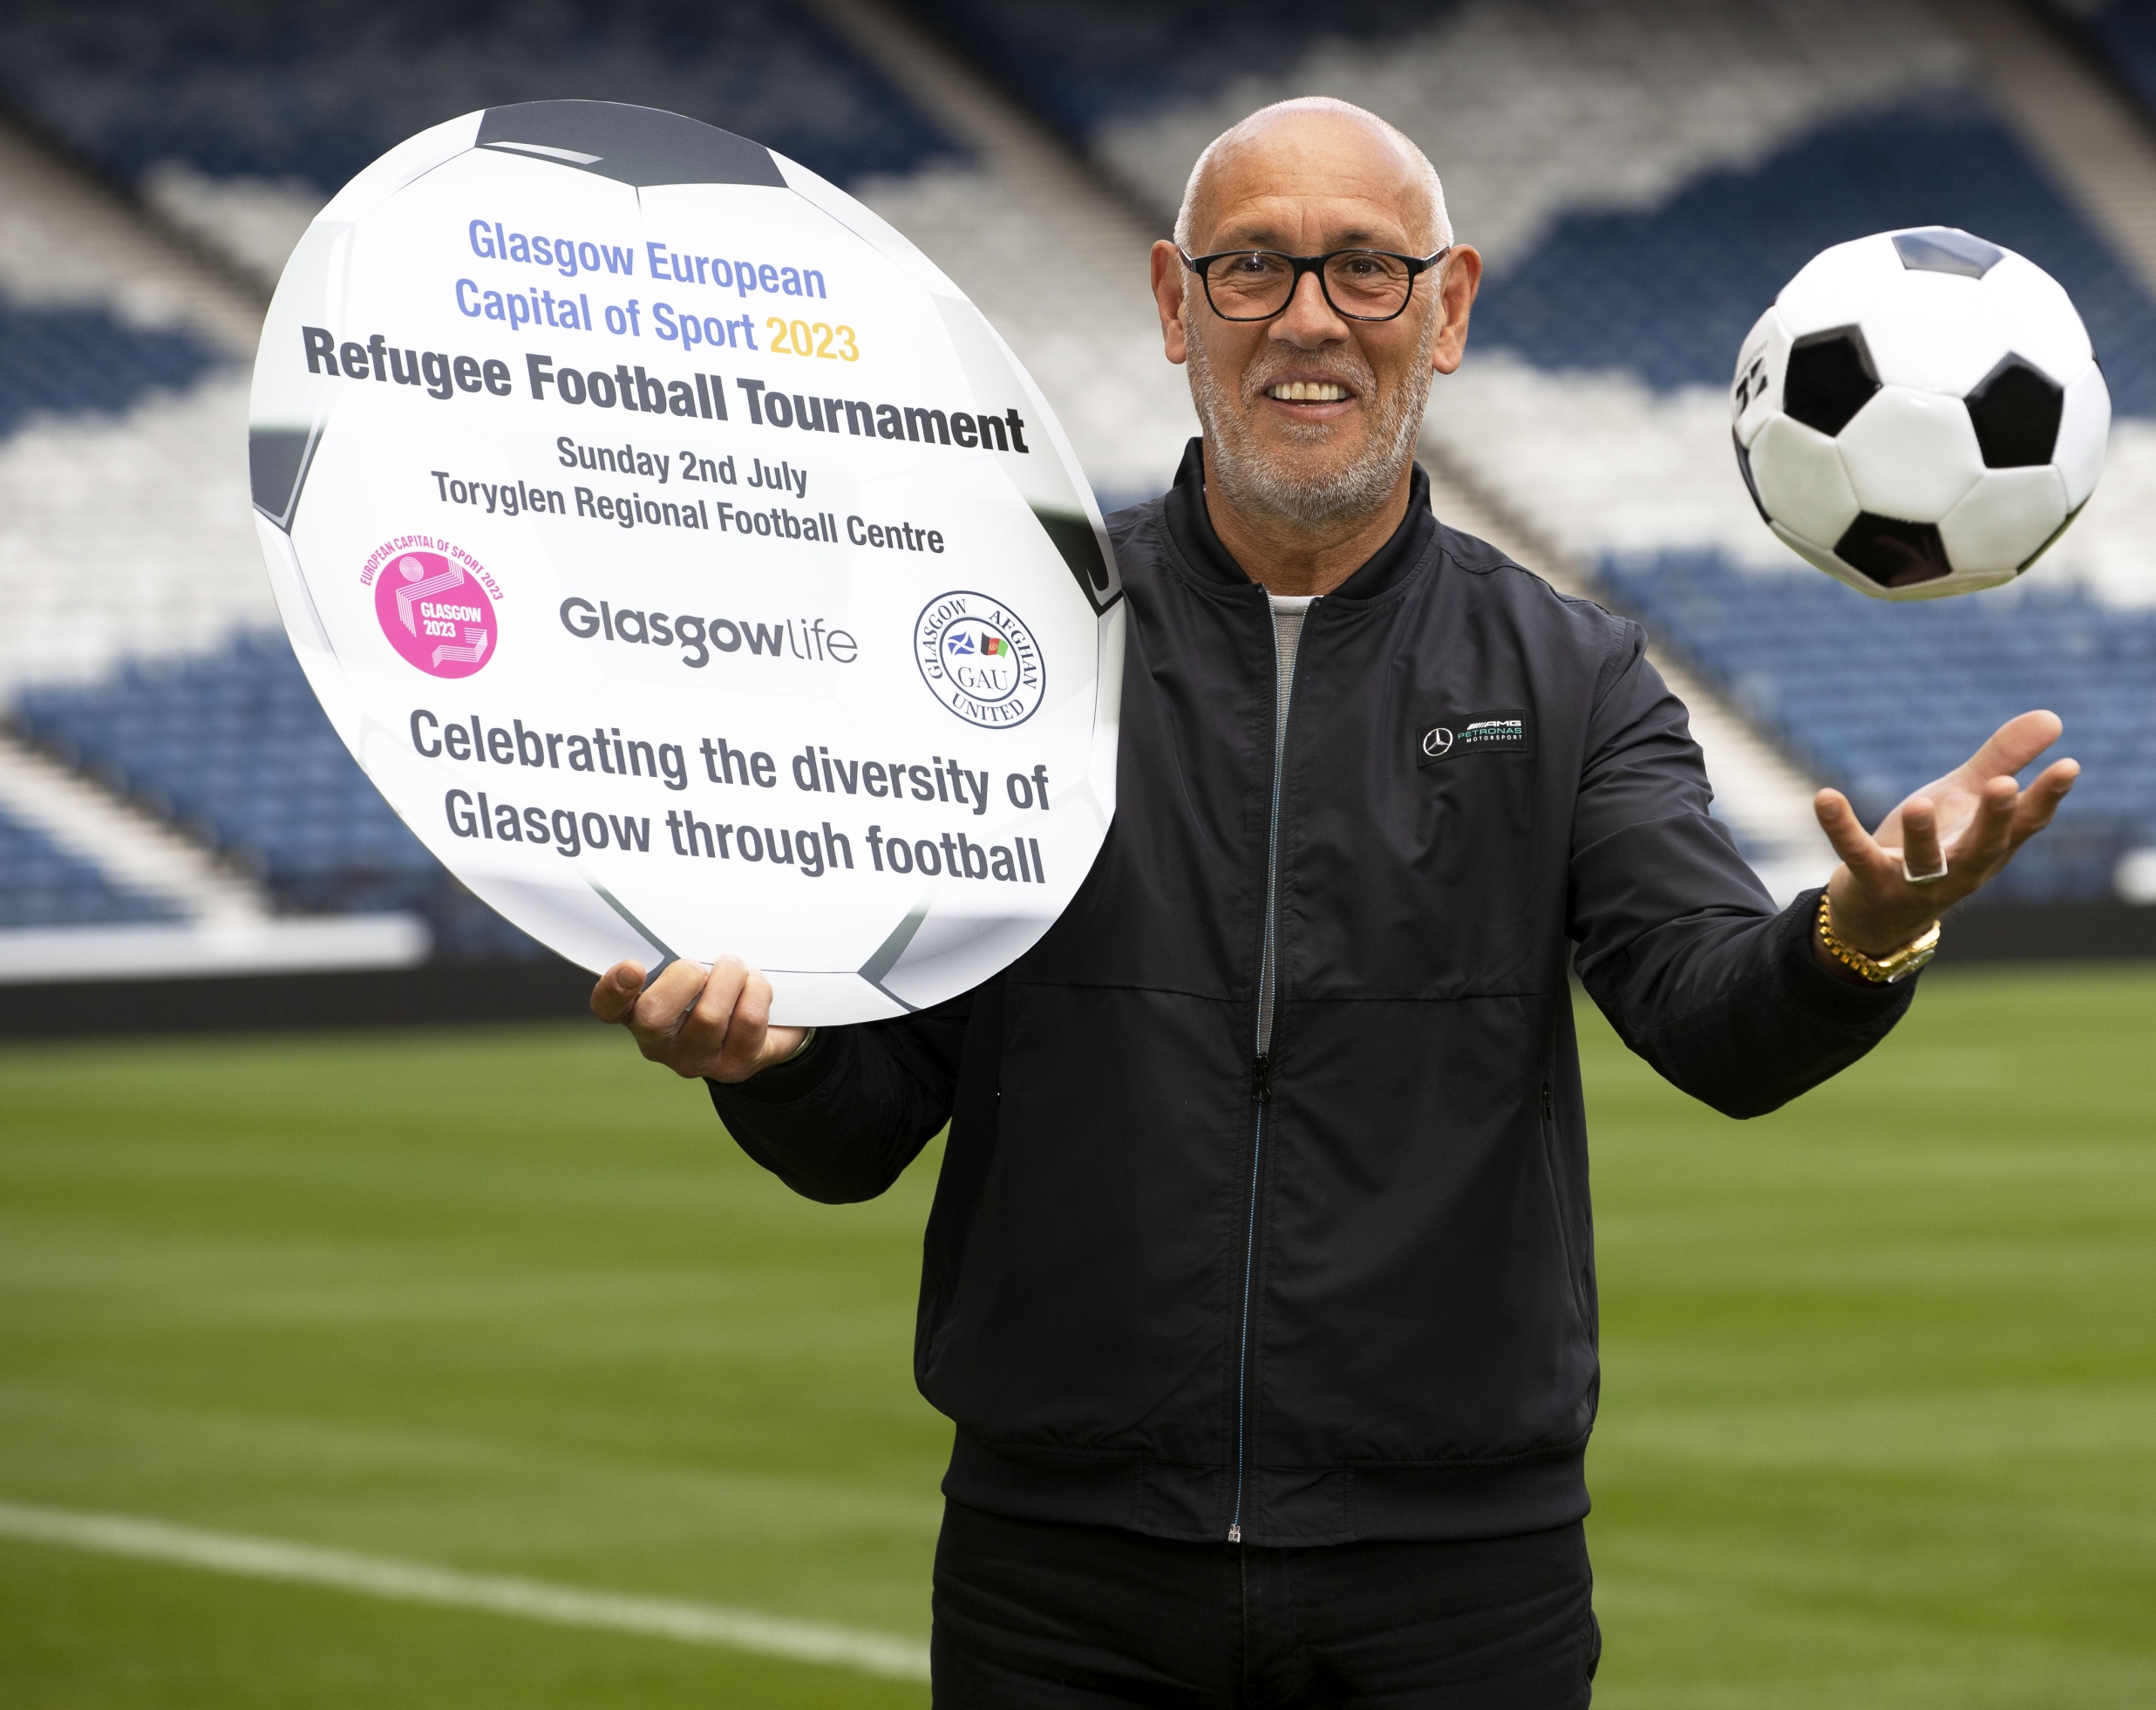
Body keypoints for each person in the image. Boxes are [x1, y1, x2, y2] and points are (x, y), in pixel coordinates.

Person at [593, 97, 2078, 1708]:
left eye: (1368, 270)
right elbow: (872, 1121)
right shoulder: (1005, 656)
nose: (1310, 318)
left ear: (1448, 310)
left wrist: (1864, 931)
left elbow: (1716, 1019)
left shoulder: (1571, 677)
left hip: (1459, 1590)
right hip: (1059, 1577)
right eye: (1255, 269)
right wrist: (776, 1060)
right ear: (1175, 304)